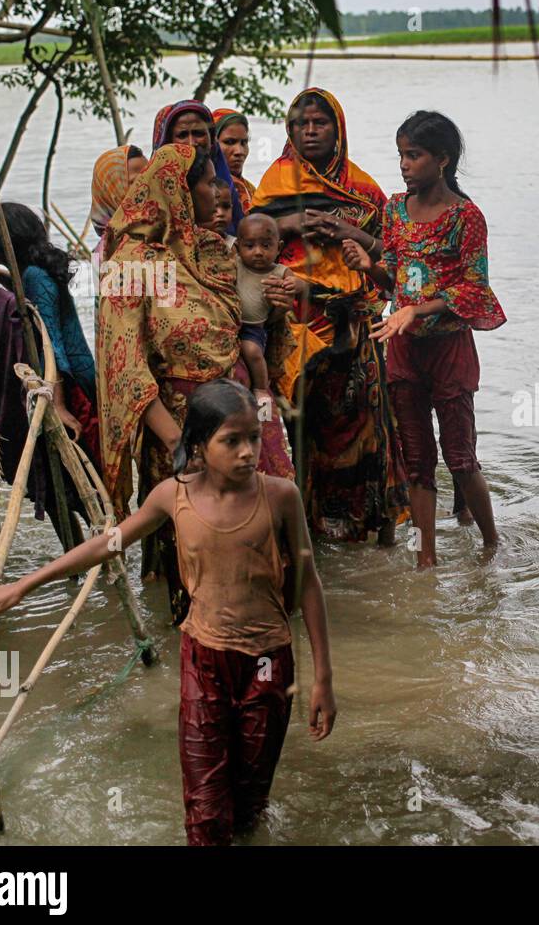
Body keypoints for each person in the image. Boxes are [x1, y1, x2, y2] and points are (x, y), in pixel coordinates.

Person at [0, 379, 336, 846]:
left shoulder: (281, 496)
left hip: (267, 663)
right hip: (204, 661)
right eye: (232, 440)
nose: (247, 452)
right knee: (204, 811)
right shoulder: (172, 496)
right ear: (198, 448)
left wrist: (322, 677)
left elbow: (309, 587)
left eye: (254, 438)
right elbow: (110, 543)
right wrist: (22, 585)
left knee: (249, 801)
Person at [98, 143, 297, 621]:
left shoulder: (209, 249)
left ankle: (271, 649)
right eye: (209, 182)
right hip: (180, 425)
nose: (219, 190)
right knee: (196, 551)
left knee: (271, 526)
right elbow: (126, 366)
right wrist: (183, 446)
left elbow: (259, 317)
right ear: (179, 191)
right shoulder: (132, 263)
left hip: (242, 409)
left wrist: (287, 295)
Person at [346, 111, 505, 568]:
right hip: (405, 348)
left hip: (449, 350)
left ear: (443, 159)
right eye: (401, 155)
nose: (403, 164)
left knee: (460, 457)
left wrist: (417, 308)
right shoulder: (396, 208)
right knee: (416, 460)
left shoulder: (466, 217)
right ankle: (426, 562)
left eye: (413, 155)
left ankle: (491, 544)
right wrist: (367, 265)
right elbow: (394, 275)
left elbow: (475, 287)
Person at [251, 87, 407, 545]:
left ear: (337, 129)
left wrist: (345, 230)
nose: (311, 131)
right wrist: (290, 225)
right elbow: (247, 244)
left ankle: (363, 531)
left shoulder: (362, 188)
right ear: (289, 130)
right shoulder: (274, 184)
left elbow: (395, 259)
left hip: (353, 326)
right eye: (301, 124)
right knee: (301, 431)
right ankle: (306, 530)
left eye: (320, 123)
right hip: (294, 327)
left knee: (363, 429)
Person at [0, 203, 100, 464]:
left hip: (71, 385)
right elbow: (30, 302)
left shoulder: (36, 277)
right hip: (78, 377)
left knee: (83, 468)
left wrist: (59, 406)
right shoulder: (34, 273)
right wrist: (1, 272)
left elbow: (52, 343)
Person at [153, 100, 244, 236]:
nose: (191, 143)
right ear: (169, 141)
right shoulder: (154, 188)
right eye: (182, 135)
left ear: (212, 138)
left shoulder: (227, 185)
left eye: (198, 133)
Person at [234, 213, 299, 401]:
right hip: (231, 323)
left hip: (253, 327)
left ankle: (261, 387)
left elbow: (300, 284)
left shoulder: (278, 271)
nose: (258, 252)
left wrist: (295, 285)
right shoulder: (235, 264)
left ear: (278, 248)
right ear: (238, 247)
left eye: (266, 245)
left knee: (251, 351)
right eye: (249, 246)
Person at [88, 145, 148, 268]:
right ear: (112, 191)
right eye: (136, 181)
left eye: (148, 177)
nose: (147, 186)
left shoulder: (155, 230)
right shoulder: (109, 254)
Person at [213, 108, 256, 213]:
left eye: (244, 142)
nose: (239, 151)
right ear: (212, 144)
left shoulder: (252, 191)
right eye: (229, 142)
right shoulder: (203, 189)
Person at [208, 176, 235, 245]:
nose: (220, 213)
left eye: (226, 207)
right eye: (214, 206)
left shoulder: (236, 245)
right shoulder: (191, 246)